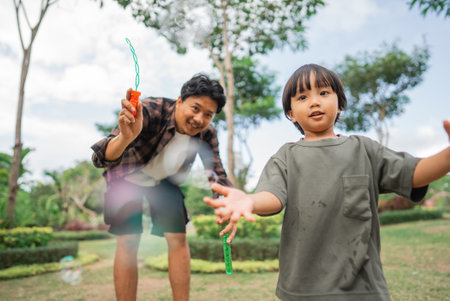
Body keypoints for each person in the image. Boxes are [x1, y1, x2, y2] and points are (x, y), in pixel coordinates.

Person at [204, 64, 450, 301]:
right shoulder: (287, 156)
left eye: (323, 93)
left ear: (339, 104)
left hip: (364, 287)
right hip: (302, 288)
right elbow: (272, 196)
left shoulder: (363, 149)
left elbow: (415, 173)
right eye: (302, 97)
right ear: (290, 114)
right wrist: (249, 200)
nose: (314, 101)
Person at [91, 73, 232, 301]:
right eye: (195, 108)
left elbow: (217, 173)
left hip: (165, 181)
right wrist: (125, 138)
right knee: (128, 239)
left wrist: (227, 201)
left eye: (208, 114)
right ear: (179, 101)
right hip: (126, 175)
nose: (199, 119)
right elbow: (100, 159)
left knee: (178, 238)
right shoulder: (149, 110)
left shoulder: (207, 134)